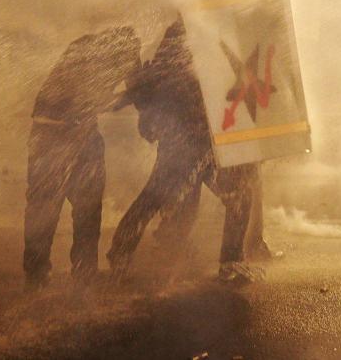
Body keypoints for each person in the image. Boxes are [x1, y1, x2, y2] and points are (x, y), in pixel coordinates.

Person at [107, 17, 271, 282]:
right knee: (156, 198)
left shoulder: (208, 34)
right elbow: (161, 81)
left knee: (238, 194)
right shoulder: (185, 34)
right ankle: (122, 255)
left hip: (207, 140)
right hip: (184, 141)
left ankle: (229, 262)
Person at [23, 26, 141, 290]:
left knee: (67, 206)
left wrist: (135, 91)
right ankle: (58, 275)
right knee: (57, 207)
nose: (132, 64)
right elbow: (95, 101)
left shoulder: (92, 47)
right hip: (58, 134)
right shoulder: (96, 55)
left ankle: (65, 273)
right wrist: (131, 94)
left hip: (65, 132)